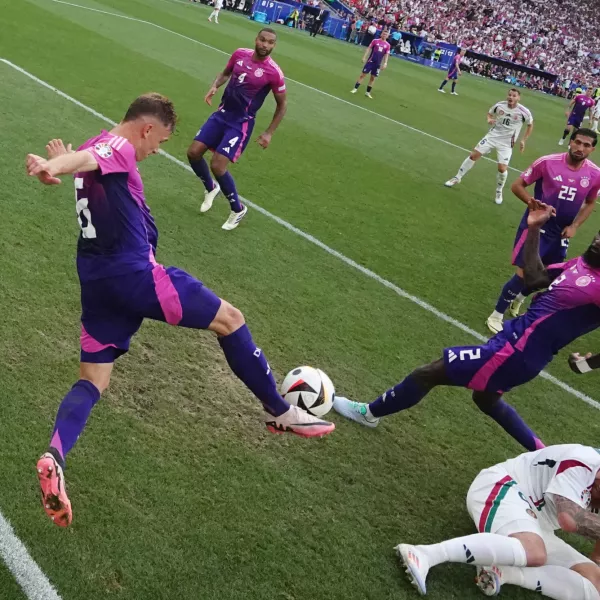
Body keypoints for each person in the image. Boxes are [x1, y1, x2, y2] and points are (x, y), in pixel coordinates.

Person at [26, 94, 334, 528]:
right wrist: (52, 166)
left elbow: (88, 161)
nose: (157, 150)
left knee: (93, 380)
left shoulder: (98, 144)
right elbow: (96, 157)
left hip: (96, 283)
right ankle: (280, 411)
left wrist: (61, 163)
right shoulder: (120, 147)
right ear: (147, 128)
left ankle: (54, 455)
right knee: (231, 319)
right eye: (162, 140)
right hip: (135, 276)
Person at [333, 201, 600, 452]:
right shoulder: (581, 264)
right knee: (485, 400)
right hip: (515, 343)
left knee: (430, 373)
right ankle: (547, 457)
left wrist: (590, 364)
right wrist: (533, 228)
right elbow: (533, 279)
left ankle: (369, 413)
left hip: (517, 352)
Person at [397, 444, 600, 599]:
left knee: (596, 582)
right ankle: (424, 554)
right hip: (504, 488)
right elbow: (570, 519)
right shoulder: (583, 462)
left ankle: (503, 571)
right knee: (534, 552)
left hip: (536, 523)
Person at [486, 129, 600, 333]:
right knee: (523, 273)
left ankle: (518, 300)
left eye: (586, 145)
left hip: (561, 232)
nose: (580, 148)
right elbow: (517, 185)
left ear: (592, 149)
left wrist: (574, 226)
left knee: (547, 276)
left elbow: (590, 202)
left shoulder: (594, 174)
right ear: (571, 142)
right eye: (578, 142)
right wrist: (532, 203)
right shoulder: (547, 162)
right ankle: (496, 315)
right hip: (536, 227)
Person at [186, 29, 287, 231]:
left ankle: (238, 209)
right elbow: (225, 73)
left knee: (217, 165)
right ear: (256, 40)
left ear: (274, 46)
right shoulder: (239, 54)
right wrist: (215, 86)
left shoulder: (274, 72)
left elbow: (282, 105)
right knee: (193, 152)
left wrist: (269, 132)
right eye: (262, 40)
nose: (265, 45)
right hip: (221, 114)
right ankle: (210, 188)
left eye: (270, 42)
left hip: (240, 123)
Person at [444, 88, 534, 205]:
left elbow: (530, 124)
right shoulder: (500, 106)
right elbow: (490, 113)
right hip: (492, 136)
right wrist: (489, 119)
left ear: (518, 98)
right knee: (473, 155)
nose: (511, 97)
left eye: (514, 96)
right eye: (509, 95)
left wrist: (523, 140)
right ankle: (457, 178)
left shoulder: (524, 112)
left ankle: (498, 191)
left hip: (506, 143)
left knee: (502, 169)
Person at [350, 30, 391, 99]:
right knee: (363, 75)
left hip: (378, 64)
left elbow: (386, 54)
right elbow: (369, 48)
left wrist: (385, 63)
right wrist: (364, 57)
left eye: (386, 35)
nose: (384, 35)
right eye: (383, 34)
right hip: (370, 61)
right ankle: (355, 89)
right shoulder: (375, 41)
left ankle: (367, 92)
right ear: (381, 34)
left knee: (373, 78)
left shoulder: (387, 45)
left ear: (387, 36)